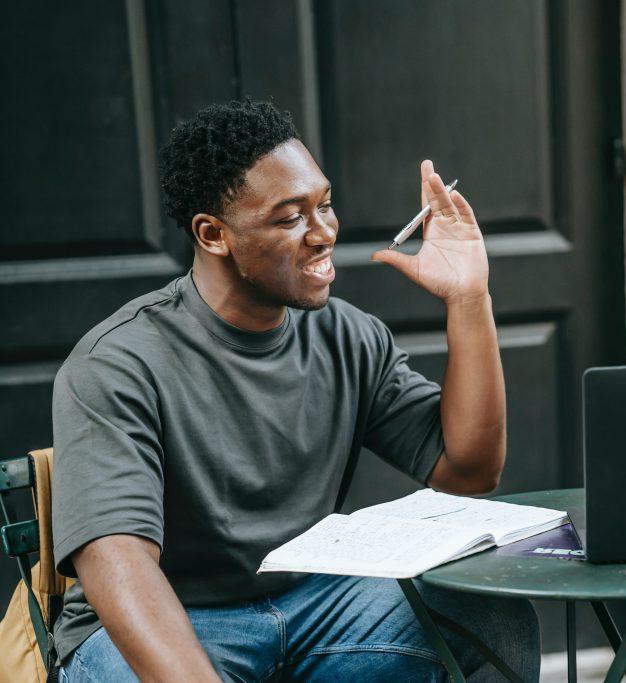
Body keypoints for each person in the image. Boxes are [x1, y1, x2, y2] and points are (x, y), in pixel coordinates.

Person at [51, 100, 539, 682]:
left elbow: (469, 470)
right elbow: (118, 563)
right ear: (213, 235)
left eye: (325, 205)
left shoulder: (348, 336)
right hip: (179, 616)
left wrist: (468, 299)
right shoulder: (119, 363)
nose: (325, 232)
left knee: (490, 619)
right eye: (289, 219)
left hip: (317, 608)